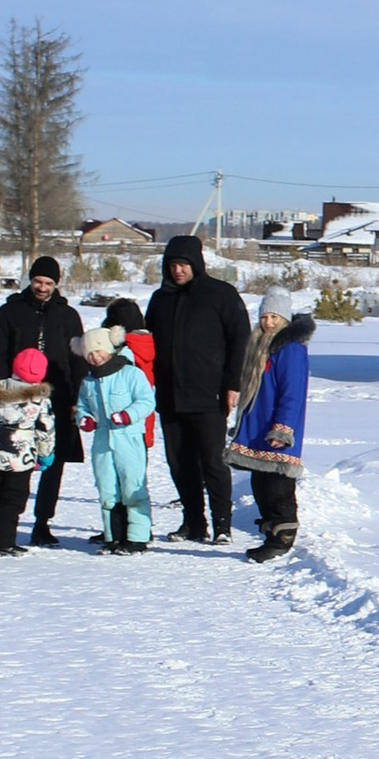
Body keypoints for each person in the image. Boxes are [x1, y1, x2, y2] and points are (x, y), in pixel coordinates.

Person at [143, 233, 251, 545]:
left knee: (213, 462)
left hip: (208, 396)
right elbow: (145, 342)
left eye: (184, 264)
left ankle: (222, 525)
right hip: (170, 395)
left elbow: (239, 340)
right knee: (180, 463)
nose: (178, 270)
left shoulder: (220, 294)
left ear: (196, 264)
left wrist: (233, 384)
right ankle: (193, 522)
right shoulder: (160, 299)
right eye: (173, 264)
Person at [0, 256, 86, 546]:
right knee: (10, 461)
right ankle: (1, 525)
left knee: (53, 462)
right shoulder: (10, 312)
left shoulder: (67, 316)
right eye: (38, 281)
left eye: (49, 283)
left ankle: (42, 523)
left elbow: (77, 358)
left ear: (57, 284)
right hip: (16, 398)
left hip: (58, 396)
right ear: (30, 280)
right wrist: (2, 391)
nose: (42, 288)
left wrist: (78, 396)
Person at [229, 294, 315, 562]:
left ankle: (283, 536)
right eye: (264, 317)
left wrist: (283, 428)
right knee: (261, 482)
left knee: (278, 484)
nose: (268, 323)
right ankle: (270, 531)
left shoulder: (290, 349)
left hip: (277, 428)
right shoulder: (260, 346)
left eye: (274, 318)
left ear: (285, 320)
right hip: (258, 426)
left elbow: (292, 392)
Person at [73, 317, 159, 553]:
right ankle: (113, 537)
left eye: (99, 351)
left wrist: (128, 415)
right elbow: (81, 406)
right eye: (89, 354)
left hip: (128, 437)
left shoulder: (130, 374)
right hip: (103, 440)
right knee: (107, 488)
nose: (95, 357)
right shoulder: (88, 382)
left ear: (109, 348)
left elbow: (146, 401)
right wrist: (84, 418)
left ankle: (137, 538)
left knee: (132, 486)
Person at [0, 343, 57, 556]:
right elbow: (46, 429)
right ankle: (2, 543)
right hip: (21, 457)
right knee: (13, 501)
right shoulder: (40, 399)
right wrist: (46, 455)